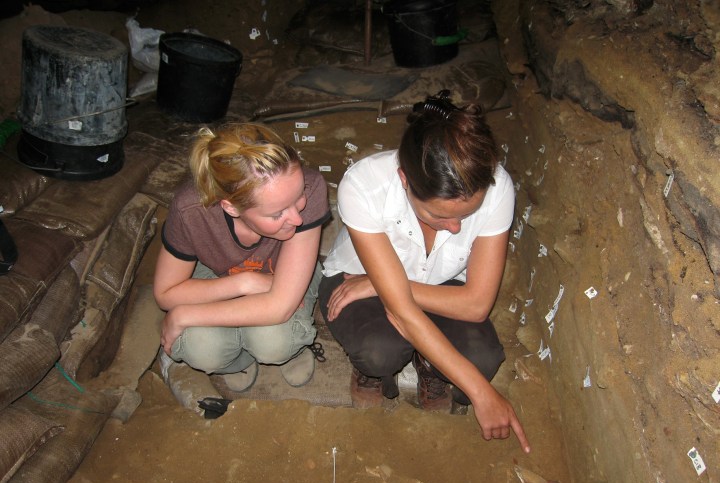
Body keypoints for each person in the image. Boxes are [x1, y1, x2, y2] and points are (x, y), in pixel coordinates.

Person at [319, 90, 530, 452]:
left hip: (426, 284)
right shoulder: (364, 186)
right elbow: (401, 312)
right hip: (355, 275)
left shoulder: (497, 186)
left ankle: (429, 364)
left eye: (467, 215)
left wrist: (381, 286)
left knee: (482, 360)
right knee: (380, 351)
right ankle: (374, 372)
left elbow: (476, 305)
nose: (455, 228)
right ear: (404, 179)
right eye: (437, 215)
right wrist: (483, 394)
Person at [154, 123, 331, 392]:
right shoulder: (189, 209)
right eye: (277, 214)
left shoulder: (312, 184)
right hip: (219, 273)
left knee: (274, 342)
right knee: (203, 350)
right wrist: (244, 282)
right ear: (231, 207)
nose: (297, 218)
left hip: (284, 269)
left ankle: (289, 352)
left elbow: (280, 306)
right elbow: (166, 293)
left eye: (299, 197)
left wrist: (184, 315)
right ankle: (237, 361)